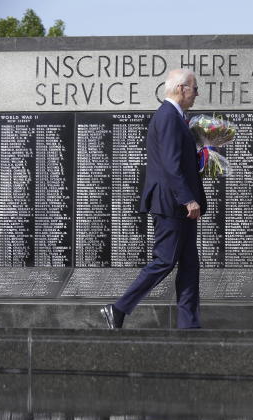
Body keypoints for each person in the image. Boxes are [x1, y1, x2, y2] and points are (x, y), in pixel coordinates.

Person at [101, 68, 206, 329]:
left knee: (190, 265)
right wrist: (187, 199)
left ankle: (189, 325)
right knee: (165, 260)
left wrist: (204, 158)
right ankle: (118, 308)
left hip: (180, 203)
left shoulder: (178, 117)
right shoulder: (169, 116)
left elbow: (180, 161)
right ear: (182, 89)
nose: (196, 93)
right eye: (194, 88)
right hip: (172, 203)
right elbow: (171, 165)